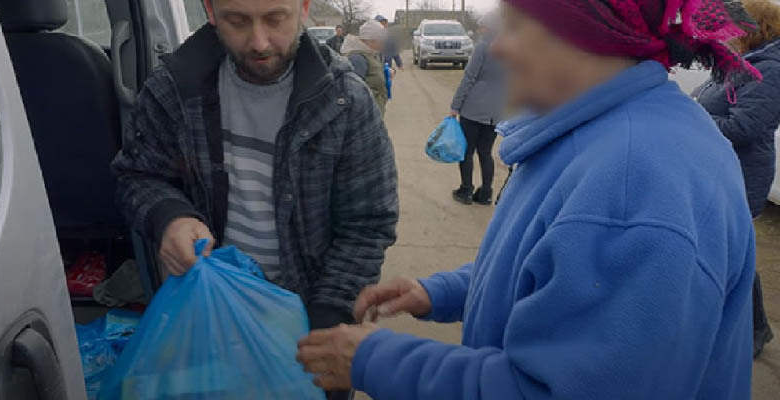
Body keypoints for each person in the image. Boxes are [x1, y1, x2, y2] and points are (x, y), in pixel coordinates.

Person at [297, 1, 758, 399]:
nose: (496, 47)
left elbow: (550, 390)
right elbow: (553, 267)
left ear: (581, 35)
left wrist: (375, 360)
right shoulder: (599, 134)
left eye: (515, 25)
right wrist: (439, 292)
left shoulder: (633, 184)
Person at [111, 0, 399, 398]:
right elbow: (137, 175)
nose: (259, 42)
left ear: (303, 8)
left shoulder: (346, 103)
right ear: (211, 11)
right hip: (208, 317)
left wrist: (325, 325)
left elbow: (368, 225)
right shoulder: (174, 89)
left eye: (275, 18)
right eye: (238, 21)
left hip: (308, 319)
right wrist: (169, 217)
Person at [692, 0, 779, 358]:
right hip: (722, 170)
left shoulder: (771, 68)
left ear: (754, 26)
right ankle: (747, 325)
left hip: (743, 173)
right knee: (729, 250)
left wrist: (688, 118)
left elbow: (743, 126)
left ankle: (755, 328)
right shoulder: (743, 62)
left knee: (734, 251)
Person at [449, 12, 506, 206]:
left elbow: (469, 77)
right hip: (496, 110)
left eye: (482, 26)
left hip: (474, 107)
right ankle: (486, 193)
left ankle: (465, 190)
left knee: (466, 151)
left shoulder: (483, 47)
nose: (480, 29)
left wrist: (455, 106)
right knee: (485, 151)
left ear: (488, 27)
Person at [341, 20, 389, 114]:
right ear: (372, 40)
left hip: (372, 114)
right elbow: (353, 94)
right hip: (364, 117)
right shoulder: (357, 59)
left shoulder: (369, 54)